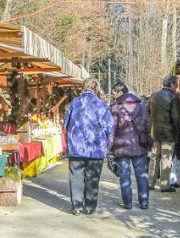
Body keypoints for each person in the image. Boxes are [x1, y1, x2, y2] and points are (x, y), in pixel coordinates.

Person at [64, 78, 114, 215]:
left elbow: (65, 124)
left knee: (76, 176)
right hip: (95, 148)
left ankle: (77, 207)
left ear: (83, 87)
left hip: (76, 147)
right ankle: (90, 207)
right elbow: (109, 127)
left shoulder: (74, 103)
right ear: (96, 88)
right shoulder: (102, 105)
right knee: (93, 177)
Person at [110, 82, 150, 210]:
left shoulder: (116, 108)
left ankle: (128, 203)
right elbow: (148, 124)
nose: (112, 95)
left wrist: (109, 148)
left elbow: (112, 129)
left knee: (124, 175)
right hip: (139, 144)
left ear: (118, 92)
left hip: (121, 146)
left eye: (113, 92)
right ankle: (144, 202)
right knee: (141, 174)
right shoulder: (142, 106)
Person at [147, 75, 180, 192]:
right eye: (176, 84)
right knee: (166, 158)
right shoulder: (174, 97)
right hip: (168, 133)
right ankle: (165, 185)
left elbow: (147, 112)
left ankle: (150, 183)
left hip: (155, 132)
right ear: (172, 85)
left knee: (154, 158)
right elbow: (177, 118)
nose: (177, 86)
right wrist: (177, 131)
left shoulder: (154, 96)